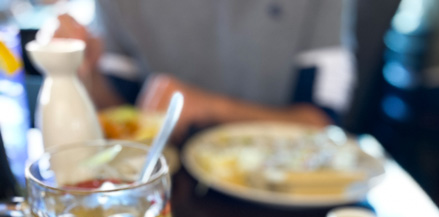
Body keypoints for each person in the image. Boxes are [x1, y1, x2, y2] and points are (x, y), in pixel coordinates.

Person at [49, 0, 354, 141]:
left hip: (285, 202)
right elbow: (117, 112)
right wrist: (82, 73)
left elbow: (320, 124)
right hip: (164, 192)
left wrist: (210, 107)